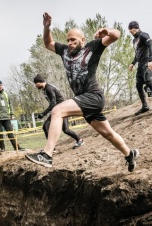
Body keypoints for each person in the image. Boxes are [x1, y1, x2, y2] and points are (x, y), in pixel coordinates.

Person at [25, 12, 139, 172]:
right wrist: (46, 27)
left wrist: (107, 31)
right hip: (83, 99)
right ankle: (129, 154)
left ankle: (47, 155)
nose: (70, 43)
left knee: (57, 110)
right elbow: (47, 42)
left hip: (93, 96)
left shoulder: (92, 47)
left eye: (73, 40)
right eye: (68, 40)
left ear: (82, 40)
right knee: (108, 133)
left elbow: (116, 35)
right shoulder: (64, 51)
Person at [33, 74, 84, 149]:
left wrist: (43, 114)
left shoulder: (49, 88)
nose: (35, 86)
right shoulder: (45, 89)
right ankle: (79, 140)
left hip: (62, 108)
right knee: (63, 129)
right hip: (59, 109)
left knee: (48, 126)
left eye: (35, 84)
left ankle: (51, 148)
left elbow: (53, 103)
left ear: (39, 82)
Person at [128, 21, 152, 116]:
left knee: (149, 82)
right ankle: (145, 106)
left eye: (130, 30)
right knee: (138, 85)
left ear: (134, 28)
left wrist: (151, 60)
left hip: (147, 63)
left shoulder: (143, 35)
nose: (130, 32)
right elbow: (138, 53)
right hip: (140, 65)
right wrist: (133, 63)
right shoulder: (134, 40)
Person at [0, 79, 26, 152]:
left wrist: (12, 114)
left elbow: (10, 104)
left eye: (1, 85)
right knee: (0, 134)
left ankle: (16, 147)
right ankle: (2, 148)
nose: (1, 87)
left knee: (10, 133)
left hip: (6, 117)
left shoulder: (5, 94)